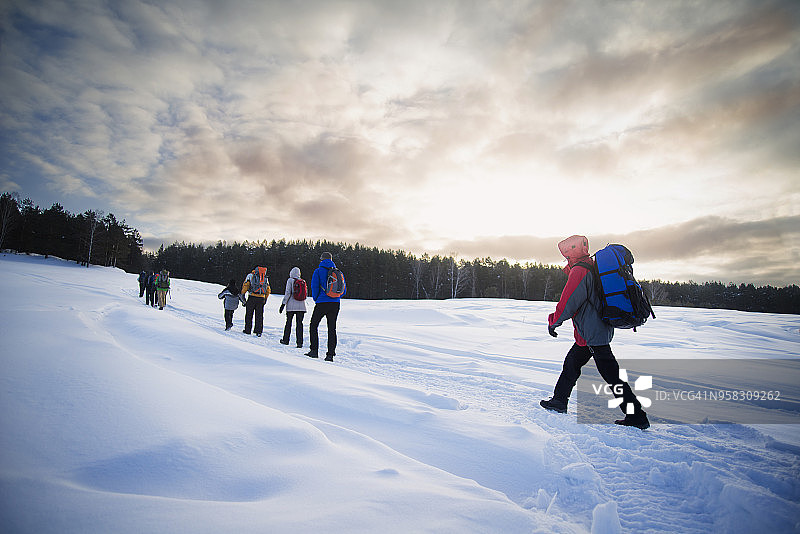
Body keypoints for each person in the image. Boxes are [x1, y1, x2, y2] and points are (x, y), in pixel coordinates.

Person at [540, 235, 650, 430]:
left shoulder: (580, 270)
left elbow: (569, 301)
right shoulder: (590, 265)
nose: (565, 258)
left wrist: (553, 322)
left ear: (570, 253)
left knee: (611, 374)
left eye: (566, 254)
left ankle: (636, 415)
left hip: (592, 332)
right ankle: (559, 400)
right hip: (594, 330)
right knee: (572, 364)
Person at [306, 252, 345, 361]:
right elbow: (344, 290)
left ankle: (314, 351)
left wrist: (316, 299)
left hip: (322, 302)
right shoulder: (338, 272)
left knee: (313, 325)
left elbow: (314, 287)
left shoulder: (318, 271)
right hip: (335, 303)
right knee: (332, 328)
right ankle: (330, 355)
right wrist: (335, 297)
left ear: (322, 260)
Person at [279, 267, 307, 347]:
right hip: (302, 306)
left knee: (288, 323)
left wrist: (283, 304)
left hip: (291, 306)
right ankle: (299, 342)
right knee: (299, 324)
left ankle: (286, 340)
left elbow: (288, 293)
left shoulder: (290, 280)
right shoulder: (302, 281)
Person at [241, 266, 270, 336]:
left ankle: (247, 330)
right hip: (261, 298)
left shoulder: (250, 275)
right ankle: (258, 331)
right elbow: (268, 289)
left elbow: (246, 285)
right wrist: (265, 298)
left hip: (252, 297)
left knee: (249, 314)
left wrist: (242, 294)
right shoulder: (265, 277)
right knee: (259, 315)